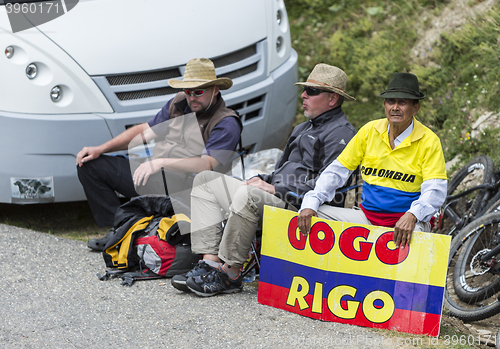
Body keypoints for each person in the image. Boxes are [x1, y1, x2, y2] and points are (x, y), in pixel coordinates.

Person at [171, 63, 357, 296]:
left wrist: (274, 187)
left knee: (248, 195)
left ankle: (230, 274)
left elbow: (329, 187)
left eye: (312, 91)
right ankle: (209, 264)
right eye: (304, 89)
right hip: (278, 193)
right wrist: (261, 178)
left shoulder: (341, 133)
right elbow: (281, 170)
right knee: (205, 180)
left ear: (332, 99)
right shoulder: (302, 128)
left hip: (302, 208)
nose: (304, 95)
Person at [76, 58, 242, 250]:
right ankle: (120, 229)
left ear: (216, 90)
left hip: (186, 187)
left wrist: (161, 162)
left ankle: (131, 231)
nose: (192, 97)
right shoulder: (179, 103)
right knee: (90, 165)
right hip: (154, 174)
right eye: (188, 91)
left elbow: (207, 164)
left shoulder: (226, 122)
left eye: (199, 91)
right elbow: (143, 132)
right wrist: (100, 149)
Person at [298, 72, 448, 249]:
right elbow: (337, 171)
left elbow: (435, 189)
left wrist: (412, 215)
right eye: (391, 101)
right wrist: (311, 201)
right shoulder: (370, 131)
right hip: (367, 218)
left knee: (414, 242)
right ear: (385, 105)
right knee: (313, 214)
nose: (395, 107)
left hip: (406, 221)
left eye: (402, 102)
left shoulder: (429, 141)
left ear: (415, 108)